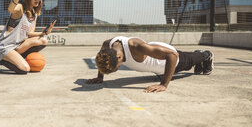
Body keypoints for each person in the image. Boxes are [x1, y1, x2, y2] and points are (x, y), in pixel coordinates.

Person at [85, 36, 214, 93]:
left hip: (167, 61)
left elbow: (172, 56)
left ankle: (206, 55)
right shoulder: (107, 45)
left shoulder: (136, 47)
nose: (117, 68)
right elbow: (103, 58)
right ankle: (200, 57)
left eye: (117, 67)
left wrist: (164, 84)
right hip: (155, 64)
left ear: (119, 56)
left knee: (189, 61)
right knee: (190, 61)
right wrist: (100, 77)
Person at [0, 0, 56, 74]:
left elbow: (30, 34)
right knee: (25, 69)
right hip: (5, 47)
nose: (38, 0)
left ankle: (17, 58)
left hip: (18, 46)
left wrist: (44, 33)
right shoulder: (20, 8)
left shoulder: (34, 14)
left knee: (43, 40)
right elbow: (10, 9)